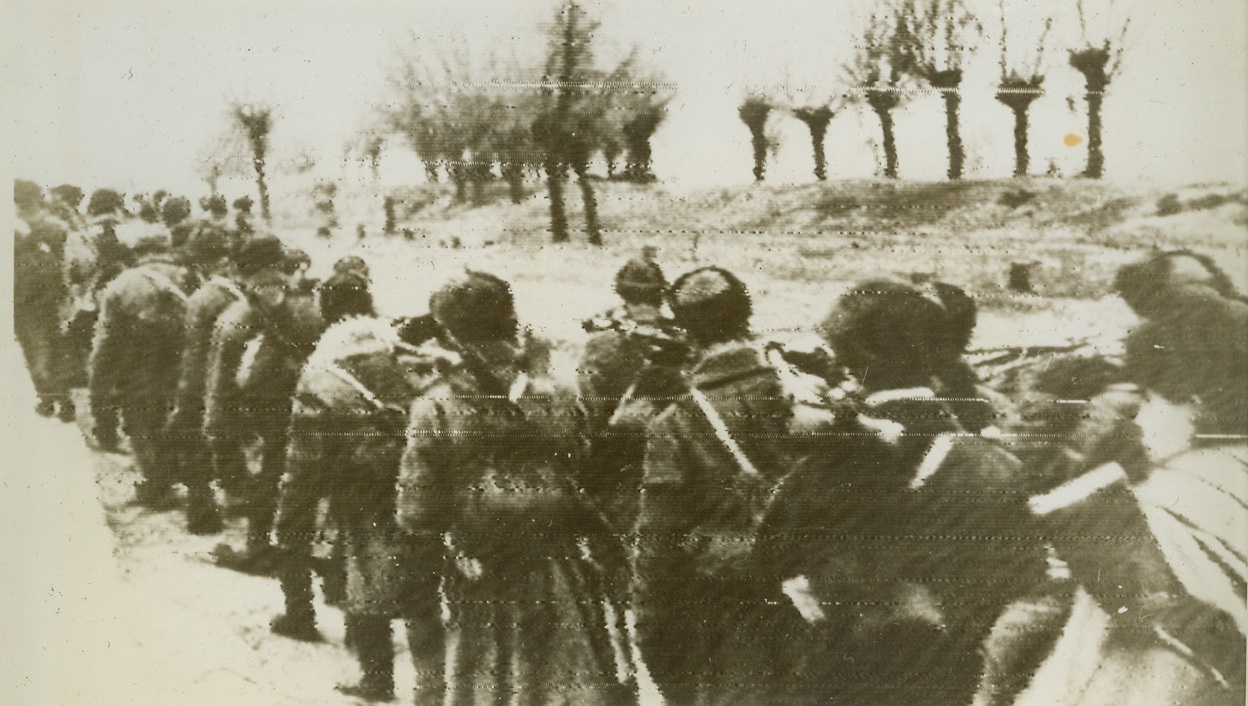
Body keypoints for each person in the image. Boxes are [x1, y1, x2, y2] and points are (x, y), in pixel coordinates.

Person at [757, 278, 1052, 706]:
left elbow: (766, 569)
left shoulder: (826, 464)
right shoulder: (998, 464)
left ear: (857, 357)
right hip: (965, 686)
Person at [396, 271, 633, 706]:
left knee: (491, 682)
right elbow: (582, 460)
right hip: (560, 565)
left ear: (448, 331)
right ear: (511, 318)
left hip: (482, 570)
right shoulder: (556, 388)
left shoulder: (435, 403)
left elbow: (418, 511)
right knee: (572, 680)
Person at [632, 266, 807, 706]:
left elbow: (658, 546)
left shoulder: (675, 423)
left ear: (687, 334)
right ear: (746, 315)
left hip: (735, 623)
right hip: (831, 604)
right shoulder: (806, 394)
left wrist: (652, 632)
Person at [274, 271, 447, 701]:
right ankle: (433, 689)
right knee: (422, 590)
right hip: (419, 483)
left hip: (361, 493)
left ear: (325, 313)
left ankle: (377, 680)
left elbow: (303, 462)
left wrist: (290, 519)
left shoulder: (321, 372)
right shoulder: (406, 355)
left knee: (365, 586)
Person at [205, 249, 326, 573]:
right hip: (310, 403)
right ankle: (313, 551)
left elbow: (221, 384)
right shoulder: (308, 303)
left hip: (264, 411)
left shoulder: (236, 316)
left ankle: (260, 548)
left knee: (269, 476)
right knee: (306, 478)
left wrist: (218, 424)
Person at [167, 234, 286, 534]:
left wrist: (187, 392)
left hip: (213, 382)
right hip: (255, 386)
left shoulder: (205, 298)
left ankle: (207, 511)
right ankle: (239, 497)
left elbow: (194, 353)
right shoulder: (269, 295)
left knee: (201, 443)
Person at [88, 222, 195, 508]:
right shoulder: (187, 271)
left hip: (139, 361)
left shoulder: (122, 284)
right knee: (176, 413)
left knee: (140, 421)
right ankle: (181, 475)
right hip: (182, 357)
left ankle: (158, 487)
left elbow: (105, 343)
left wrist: (98, 386)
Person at [14, 180, 75, 420]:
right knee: (55, 343)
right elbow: (68, 260)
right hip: (51, 292)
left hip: (20, 293)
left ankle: (47, 397)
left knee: (32, 346)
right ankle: (65, 398)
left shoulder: (11, 224)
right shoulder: (56, 225)